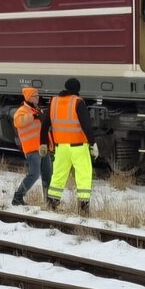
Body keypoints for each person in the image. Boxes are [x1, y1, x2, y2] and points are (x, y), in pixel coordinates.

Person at [45, 77, 97, 214]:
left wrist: (42, 143)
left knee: (58, 175)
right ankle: (83, 208)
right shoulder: (78, 102)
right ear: (77, 90)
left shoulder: (54, 101)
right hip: (78, 146)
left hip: (61, 147)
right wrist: (93, 143)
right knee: (83, 175)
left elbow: (45, 124)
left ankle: (51, 204)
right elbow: (86, 126)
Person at [10, 87, 52, 206]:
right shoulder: (22, 110)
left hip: (43, 148)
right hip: (32, 148)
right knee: (34, 174)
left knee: (47, 174)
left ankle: (49, 200)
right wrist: (34, 116)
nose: (38, 98)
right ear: (29, 98)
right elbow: (18, 122)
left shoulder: (38, 110)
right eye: (35, 96)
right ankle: (18, 197)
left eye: (38, 95)